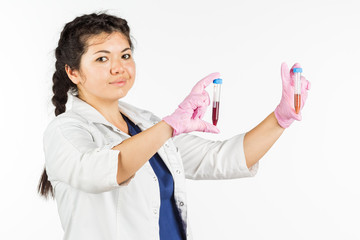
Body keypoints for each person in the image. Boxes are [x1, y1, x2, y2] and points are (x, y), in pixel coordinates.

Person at [38, 12, 311, 240]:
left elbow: (222, 158)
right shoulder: (65, 131)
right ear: (73, 72)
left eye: (125, 55)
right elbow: (104, 170)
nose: (118, 68)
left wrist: (280, 118)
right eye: (101, 58)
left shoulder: (145, 124)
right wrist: (169, 126)